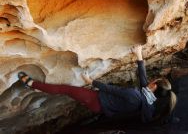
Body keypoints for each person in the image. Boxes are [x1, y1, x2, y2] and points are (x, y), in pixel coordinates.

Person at [18, 45, 177, 123]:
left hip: (96, 100)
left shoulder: (135, 95)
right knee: (69, 92)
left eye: (153, 80)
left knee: (64, 89)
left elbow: (112, 89)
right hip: (103, 105)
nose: (150, 80)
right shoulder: (148, 100)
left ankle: (32, 84)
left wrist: (90, 81)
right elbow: (143, 78)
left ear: (154, 86)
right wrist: (139, 55)